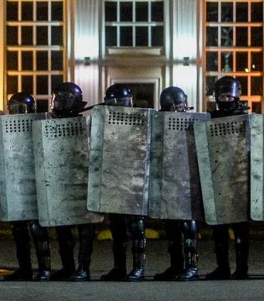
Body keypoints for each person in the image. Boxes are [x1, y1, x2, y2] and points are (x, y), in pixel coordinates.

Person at [99, 83, 147, 281]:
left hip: (135, 179)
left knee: (136, 226)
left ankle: (138, 268)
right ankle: (119, 267)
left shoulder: (141, 120)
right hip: (113, 178)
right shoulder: (104, 122)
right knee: (117, 228)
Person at [48, 82, 94, 280]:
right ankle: (68, 266)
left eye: (61, 98)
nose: (57, 102)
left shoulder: (88, 125)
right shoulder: (50, 124)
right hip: (61, 181)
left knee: (85, 229)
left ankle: (83, 268)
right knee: (63, 229)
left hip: (84, 182)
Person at [4, 91, 51, 281]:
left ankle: (45, 269)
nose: (16, 112)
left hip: (37, 182)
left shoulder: (42, 122)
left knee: (38, 229)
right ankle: (25, 268)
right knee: (19, 229)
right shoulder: (6, 126)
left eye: (19, 108)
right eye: (13, 108)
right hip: (16, 181)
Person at [155, 86, 200, 281]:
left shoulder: (193, 122)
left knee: (189, 227)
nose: (181, 109)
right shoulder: (158, 123)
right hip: (168, 178)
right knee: (171, 228)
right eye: (178, 106)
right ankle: (176, 265)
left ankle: (191, 266)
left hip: (188, 179)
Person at [207, 76, 250, 279]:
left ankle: (242, 268)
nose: (225, 100)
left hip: (241, 178)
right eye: (222, 96)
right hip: (218, 177)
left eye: (229, 96)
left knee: (241, 229)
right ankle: (222, 267)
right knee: (219, 228)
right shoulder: (211, 119)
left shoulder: (247, 120)